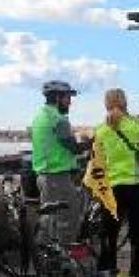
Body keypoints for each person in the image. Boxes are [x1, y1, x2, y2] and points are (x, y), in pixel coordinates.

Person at [91, 89, 139, 277]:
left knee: (109, 236)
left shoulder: (101, 131)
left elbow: (96, 164)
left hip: (112, 189)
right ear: (125, 102)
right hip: (137, 187)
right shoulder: (138, 127)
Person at [30, 80, 84, 242]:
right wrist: (94, 141)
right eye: (67, 97)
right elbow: (73, 147)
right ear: (57, 97)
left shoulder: (40, 116)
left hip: (44, 175)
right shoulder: (59, 119)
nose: (70, 102)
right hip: (57, 177)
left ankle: (44, 259)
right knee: (68, 218)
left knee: (49, 220)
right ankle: (63, 260)